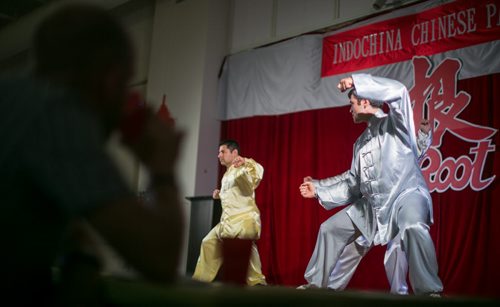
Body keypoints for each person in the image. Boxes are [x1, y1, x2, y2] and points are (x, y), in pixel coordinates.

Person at [0, 3, 184, 304]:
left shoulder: (15, 98)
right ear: (110, 81)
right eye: (126, 83)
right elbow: (159, 258)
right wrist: (163, 167)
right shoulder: (57, 114)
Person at [299, 74, 443, 296]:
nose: (350, 110)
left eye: (352, 104)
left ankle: (429, 292)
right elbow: (352, 183)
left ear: (365, 102)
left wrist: (357, 81)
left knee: (412, 227)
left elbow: (399, 92)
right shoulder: (360, 143)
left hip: (406, 195)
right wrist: (318, 189)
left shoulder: (396, 123)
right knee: (330, 229)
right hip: (374, 205)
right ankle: (315, 286)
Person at [192, 140, 267, 286]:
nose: (219, 155)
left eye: (222, 152)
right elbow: (236, 193)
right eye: (219, 152)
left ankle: (257, 283)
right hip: (227, 221)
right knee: (208, 242)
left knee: (245, 249)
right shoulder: (227, 174)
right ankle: (200, 281)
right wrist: (220, 194)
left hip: (244, 220)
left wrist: (246, 161)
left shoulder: (241, 168)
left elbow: (257, 172)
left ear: (234, 153)